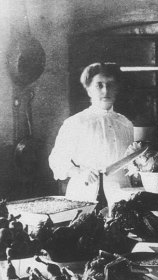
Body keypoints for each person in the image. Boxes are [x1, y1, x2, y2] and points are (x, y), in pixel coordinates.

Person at [49, 62, 134, 203]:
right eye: (99, 85)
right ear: (88, 90)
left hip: (121, 195)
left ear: (117, 89)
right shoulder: (76, 123)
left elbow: (132, 162)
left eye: (110, 85)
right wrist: (80, 172)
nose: (105, 91)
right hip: (85, 193)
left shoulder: (126, 124)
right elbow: (56, 160)